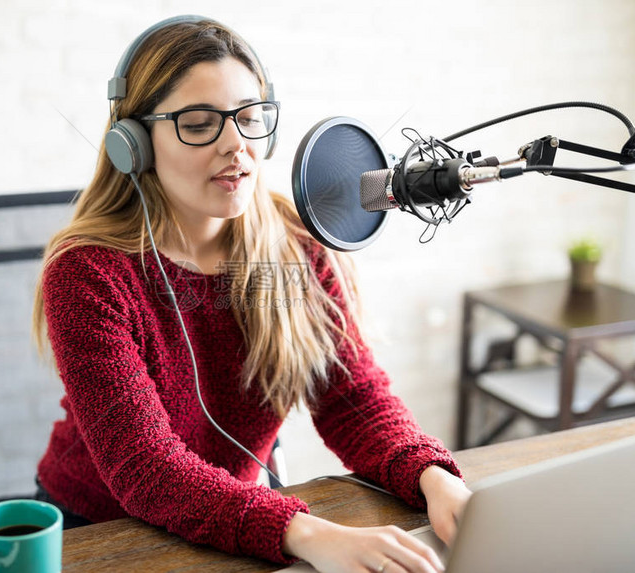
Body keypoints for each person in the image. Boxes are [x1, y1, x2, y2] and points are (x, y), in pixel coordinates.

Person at [32, 16, 471, 573]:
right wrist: (307, 532)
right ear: (135, 143)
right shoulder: (89, 273)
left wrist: (433, 478)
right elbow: (146, 469)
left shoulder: (296, 246)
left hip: (234, 523)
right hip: (102, 532)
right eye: (198, 123)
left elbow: (352, 400)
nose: (236, 145)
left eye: (248, 118)